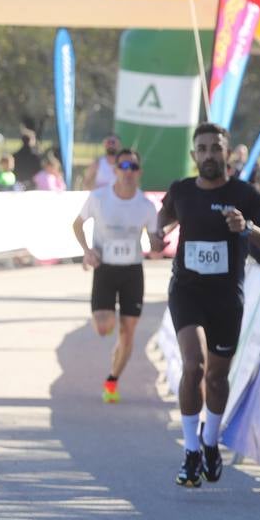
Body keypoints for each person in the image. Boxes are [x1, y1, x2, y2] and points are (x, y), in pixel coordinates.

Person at [158, 123, 260, 487]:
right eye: (203, 148)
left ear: (227, 154)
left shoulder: (243, 194)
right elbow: (164, 216)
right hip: (186, 291)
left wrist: (247, 229)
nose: (210, 154)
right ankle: (191, 450)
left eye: (216, 148)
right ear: (194, 155)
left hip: (226, 297)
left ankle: (211, 442)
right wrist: (156, 231)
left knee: (216, 377)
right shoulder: (182, 190)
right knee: (194, 366)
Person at [71, 148, 163, 403]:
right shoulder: (99, 198)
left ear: (139, 172)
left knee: (127, 332)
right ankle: (117, 345)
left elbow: (154, 242)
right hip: (105, 268)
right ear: (115, 170)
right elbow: (77, 224)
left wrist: (157, 242)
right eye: (123, 167)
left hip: (132, 271)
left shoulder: (145, 205)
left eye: (133, 167)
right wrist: (87, 251)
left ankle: (112, 380)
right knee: (104, 328)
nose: (128, 172)